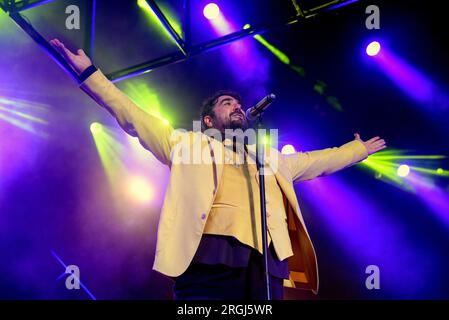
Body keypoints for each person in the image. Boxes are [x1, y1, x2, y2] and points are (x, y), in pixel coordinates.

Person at [49, 38, 386, 300]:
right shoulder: (188, 144)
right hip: (209, 257)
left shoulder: (268, 158)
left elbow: (316, 162)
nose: (237, 106)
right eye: (228, 104)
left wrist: (356, 150)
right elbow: (134, 117)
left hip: (265, 263)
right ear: (209, 121)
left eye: (238, 103)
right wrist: (90, 74)